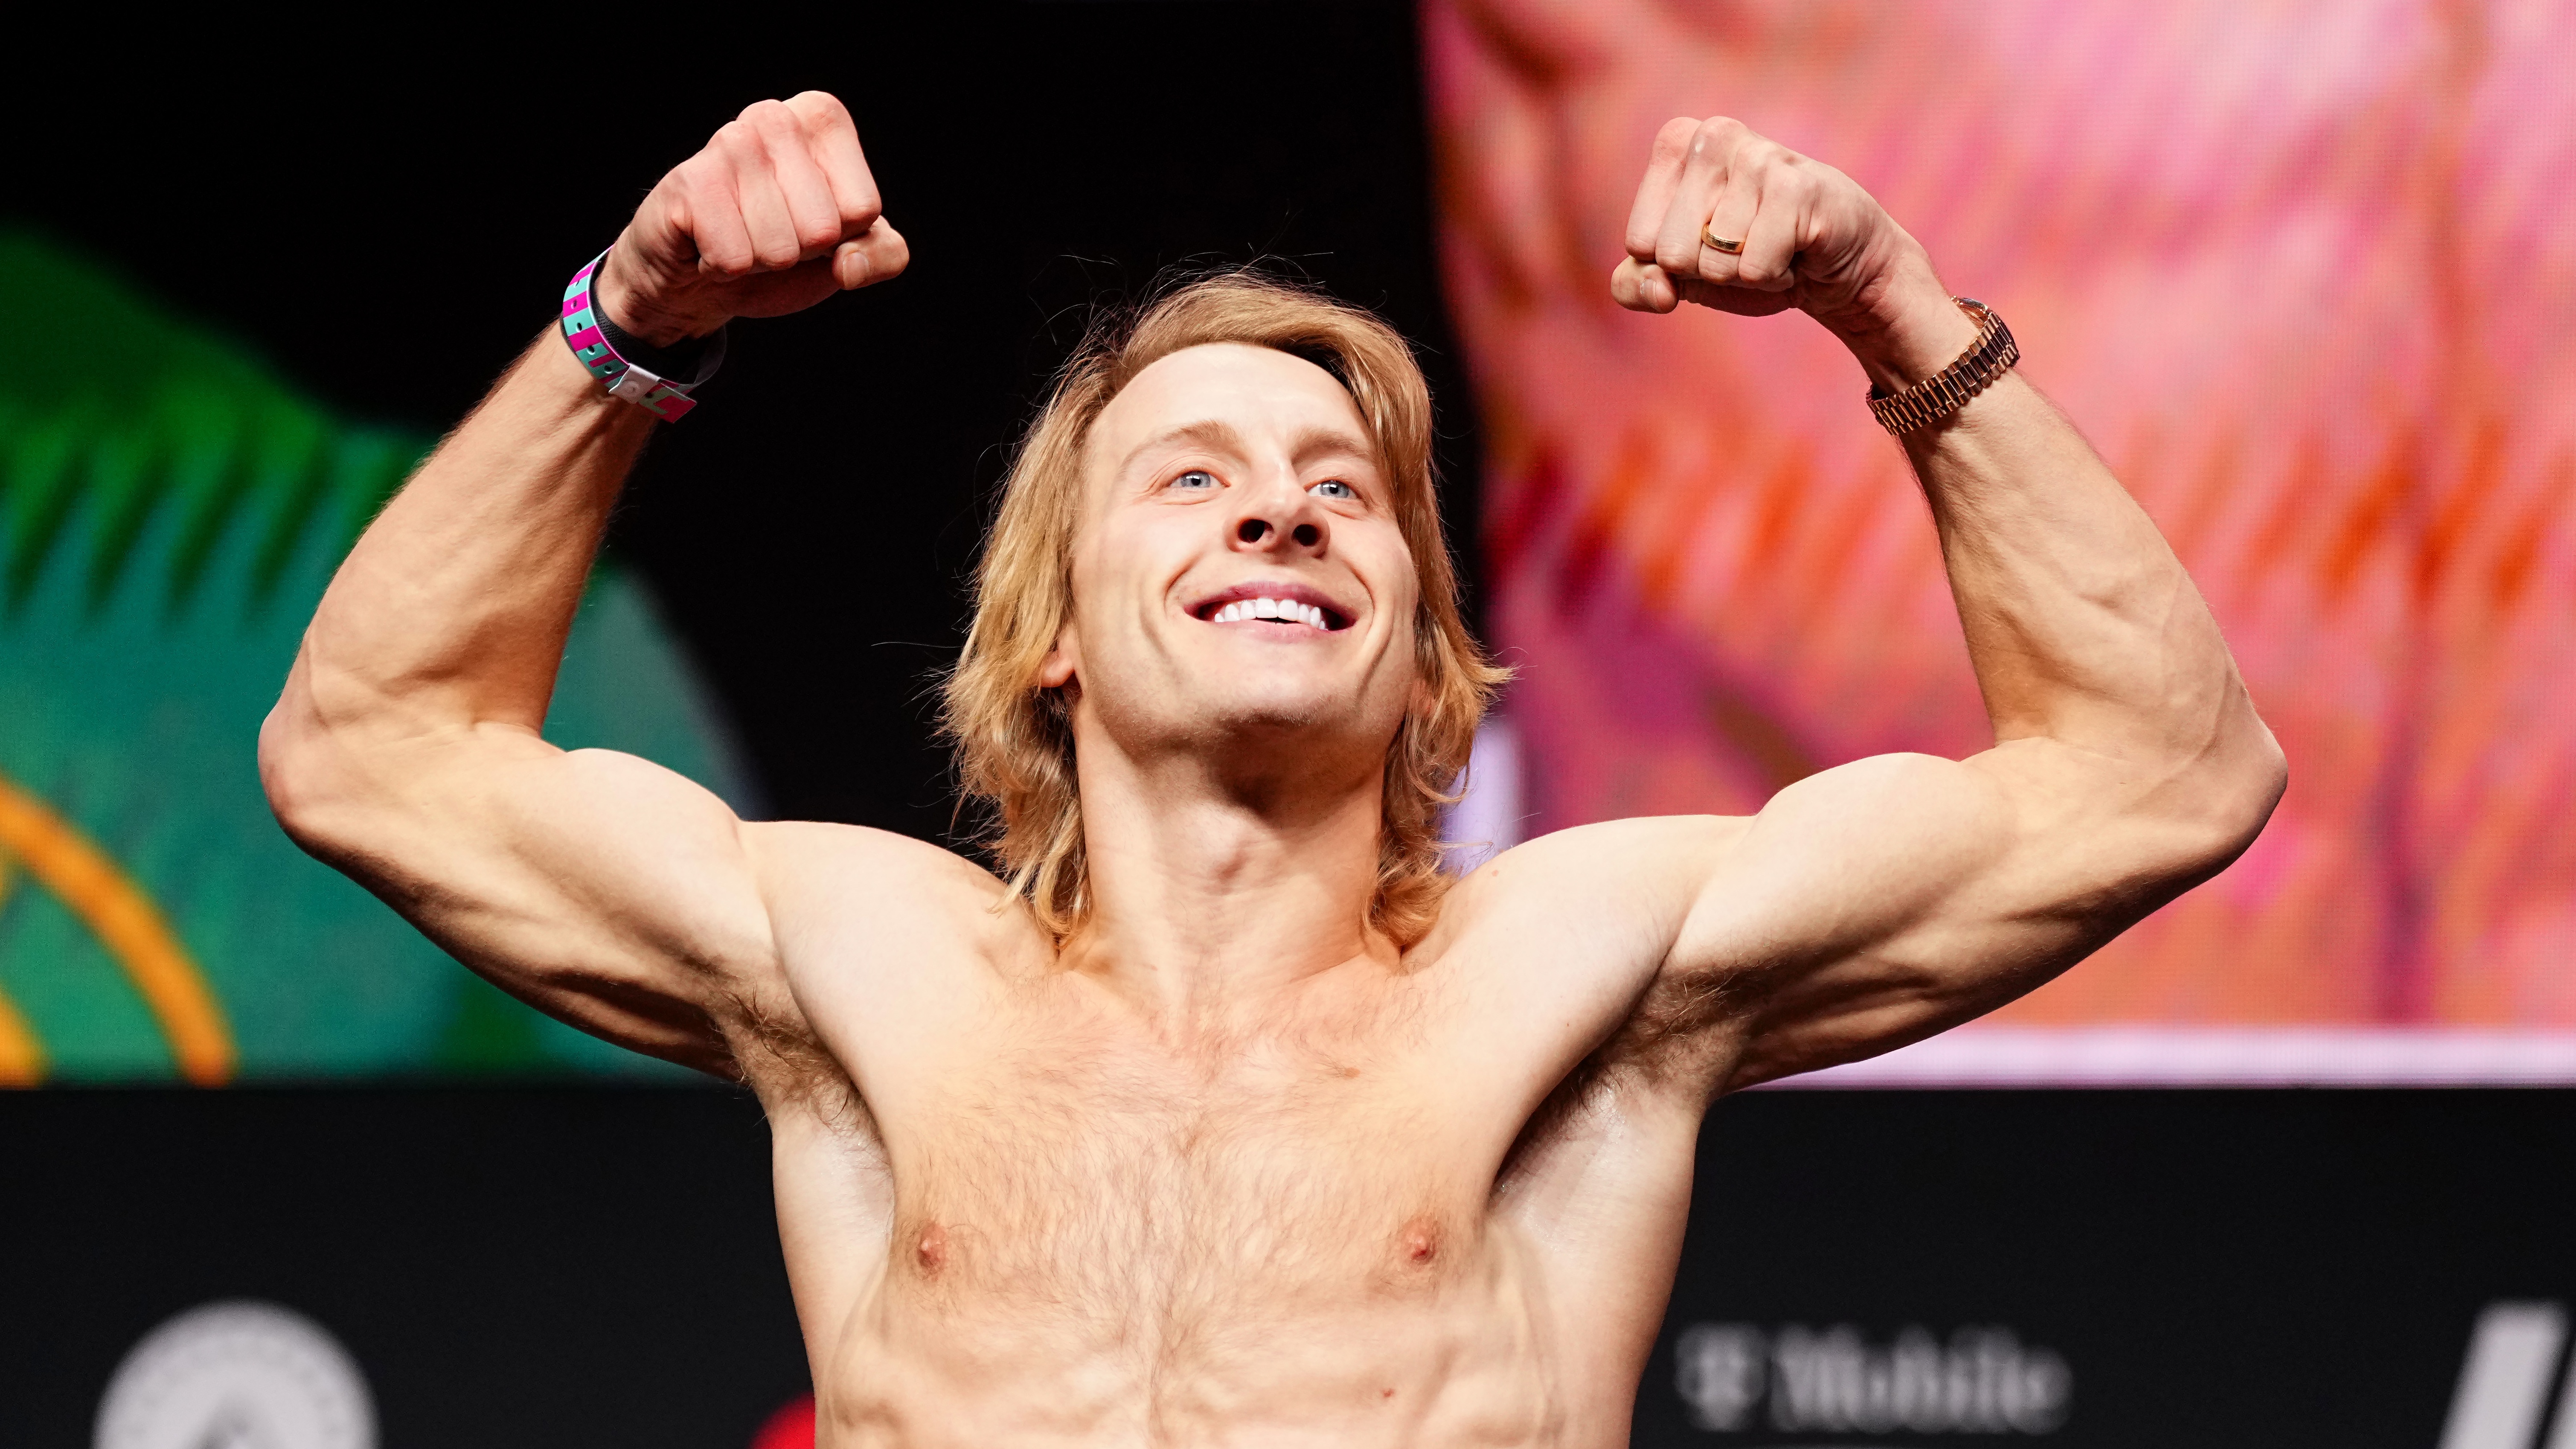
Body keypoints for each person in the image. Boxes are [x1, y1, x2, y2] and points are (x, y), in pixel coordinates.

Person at [260, 92, 2283, 1446]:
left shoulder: (1573, 972)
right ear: (1051, 633)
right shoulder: (868, 971)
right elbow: (369, 749)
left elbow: (2157, 770)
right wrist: (638, 314)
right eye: (1196, 480)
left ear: (1420, 656)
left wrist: (1884, 303)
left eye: (1343, 493)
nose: (1282, 518)